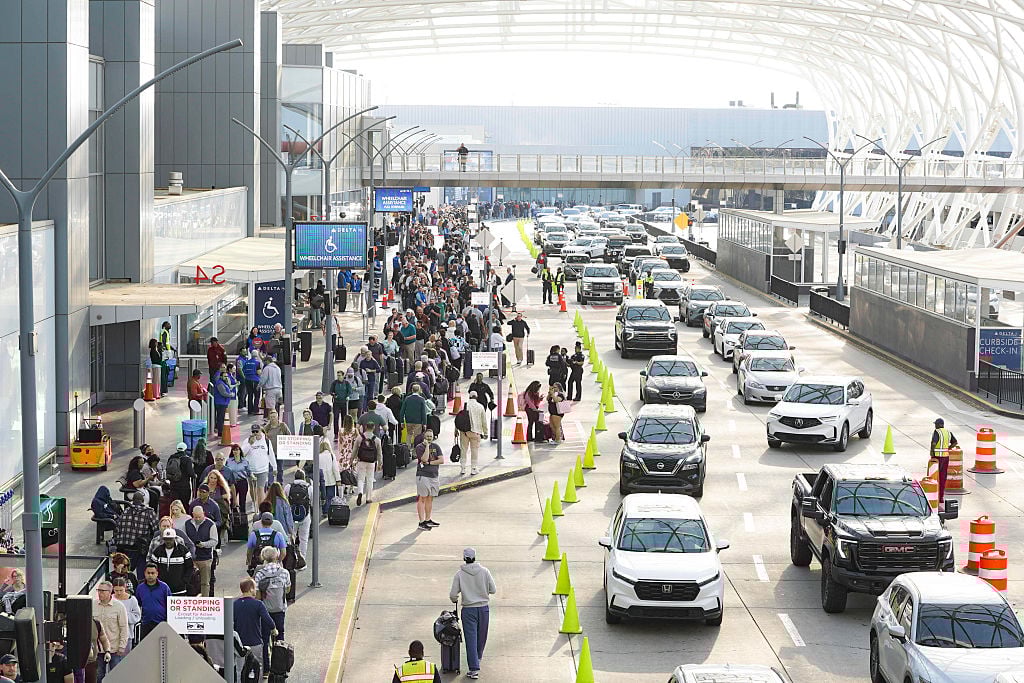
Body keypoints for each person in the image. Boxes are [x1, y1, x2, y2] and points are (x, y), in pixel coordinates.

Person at [449, 548, 496, 680]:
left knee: (471, 638)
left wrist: (455, 599)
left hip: (468, 610)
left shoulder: (459, 574)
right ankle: (478, 658)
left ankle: (473, 668)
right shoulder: (485, 571)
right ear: (475, 557)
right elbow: (493, 589)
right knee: (482, 636)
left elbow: (453, 594)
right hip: (484, 608)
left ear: (464, 559)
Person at [233, 578, 276, 676]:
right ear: (251, 589)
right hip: (255, 641)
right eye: (255, 588)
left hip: (239, 644)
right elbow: (268, 620)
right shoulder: (258, 604)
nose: (256, 590)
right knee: (257, 668)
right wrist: (274, 629)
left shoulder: (235, 604)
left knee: (240, 669)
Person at [252, 547, 291, 644]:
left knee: (265, 636)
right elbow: (287, 590)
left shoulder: (260, 574)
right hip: (280, 608)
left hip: (265, 610)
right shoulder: (284, 572)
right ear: (277, 556)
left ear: (263, 557)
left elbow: (258, 596)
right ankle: (280, 651)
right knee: (280, 633)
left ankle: (266, 654)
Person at [113, 493, 158, 573]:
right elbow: (156, 530)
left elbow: (117, 528)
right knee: (141, 572)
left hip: (124, 547)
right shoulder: (149, 512)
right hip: (139, 548)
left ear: (132, 501)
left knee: (124, 572)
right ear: (143, 501)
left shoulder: (126, 511)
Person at [92, 581, 128, 681]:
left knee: (115, 676)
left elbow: (124, 628)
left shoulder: (119, 606)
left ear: (110, 592)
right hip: (98, 649)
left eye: (102, 591)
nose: (100, 593)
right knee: (98, 676)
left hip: (114, 648)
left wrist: (122, 646)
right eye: (98, 590)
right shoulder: (93, 605)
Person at [148, 528, 194, 595]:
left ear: (174, 538)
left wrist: (184, 581)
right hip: (161, 589)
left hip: (179, 590)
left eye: (170, 539)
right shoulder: (158, 551)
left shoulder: (183, 550)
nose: (168, 541)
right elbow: (152, 568)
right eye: (166, 539)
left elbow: (190, 567)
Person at [414, 429, 443, 532]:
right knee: (422, 498)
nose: (429, 438)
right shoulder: (419, 447)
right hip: (423, 475)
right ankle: (421, 522)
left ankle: (428, 519)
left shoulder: (436, 447)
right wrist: (427, 446)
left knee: (430, 498)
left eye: (431, 436)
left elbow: (441, 460)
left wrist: (430, 463)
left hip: (434, 476)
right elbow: (424, 459)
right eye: (427, 436)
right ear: (424, 437)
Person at [185, 506, 218, 597]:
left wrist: (203, 544)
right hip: (191, 558)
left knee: (205, 582)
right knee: (191, 581)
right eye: (196, 517)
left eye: (200, 516)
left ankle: (205, 600)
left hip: (205, 558)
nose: (198, 519)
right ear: (192, 515)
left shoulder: (210, 524)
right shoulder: (187, 524)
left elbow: (214, 541)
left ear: (203, 513)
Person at [242, 424, 276, 509]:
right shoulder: (247, 441)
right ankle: (254, 503)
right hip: (251, 470)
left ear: (260, 431)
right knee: (252, 488)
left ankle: (261, 507)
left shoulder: (266, 441)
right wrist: (250, 444)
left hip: (263, 469)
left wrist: (274, 467)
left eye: (257, 431)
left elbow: (271, 455)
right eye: (253, 432)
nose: (255, 433)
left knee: (260, 489)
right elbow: (242, 453)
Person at [136, 564, 172, 641]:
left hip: (161, 623)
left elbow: (170, 605)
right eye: (148, 573)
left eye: (153, 573)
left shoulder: (164, 587)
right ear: (144, 573)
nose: (150, 575)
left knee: (161, 646)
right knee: (145, 645)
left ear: (157, 573)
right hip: (145, 622)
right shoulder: (140, 588)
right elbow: (137, 605)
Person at [352, 423, 382, 506]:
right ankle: (368, 498)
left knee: (360, 479)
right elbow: (379, 453)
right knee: (370, 479)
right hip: (371, 462)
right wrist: (380, 463)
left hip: (361, 461)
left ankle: (360, 492)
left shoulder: (359, 438)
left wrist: (352, 460)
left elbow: (354, 450)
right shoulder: (377, 440)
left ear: (365, 427)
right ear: (373, 428)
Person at [930, 418, 958, 504]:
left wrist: (932, 451)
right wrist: (948, 448)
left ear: (939, 425)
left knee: (934, 476)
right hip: (946, 457)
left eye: (936, 424)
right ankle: (941, 497)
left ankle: (933, 496)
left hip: (937, 457)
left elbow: (934, 443)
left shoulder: (937, 432)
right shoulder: (948, 432)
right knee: (942, 477)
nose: (935, 426)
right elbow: (955, 442)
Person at [285, 470, 313, 558]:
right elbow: (312, 502)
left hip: (291, 517)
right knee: (303, 539)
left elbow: (285, 501)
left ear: (295, 477)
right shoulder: (309, 488)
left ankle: (291, 558)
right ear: (304, 477)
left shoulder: (288, 487)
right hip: (305, 516)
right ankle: (302, 558)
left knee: (290, 537)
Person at [459, 391, 488, 476]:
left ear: (469, 397)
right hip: (476, 432)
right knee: (474, 450)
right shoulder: (480, 406)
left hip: (464, 431)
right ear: (476, 397)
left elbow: (459, 418)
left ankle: (463, 468)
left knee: (463, 449)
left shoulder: (464, 405)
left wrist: (456, 430)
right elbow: (484, 421)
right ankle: (473, 469)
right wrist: (485, 432)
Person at [111, 578, 141, 653]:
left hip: (127, 635)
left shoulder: (132, 599)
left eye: (121, 590)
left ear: (125, 587)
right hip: (112, 635)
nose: (119, 593)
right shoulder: (111, 599)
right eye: (116, 590)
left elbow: (137, 616)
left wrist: (123, 615)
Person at [263, 409, 291, 483]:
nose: (273, 418)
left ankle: (279, 484)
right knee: (271, 469)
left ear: (277, 417)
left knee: (280, 469)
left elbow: (289, 435)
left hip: (280, 452)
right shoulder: (267, 427)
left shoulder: (282, 425)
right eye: (271, 417)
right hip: (270, 453)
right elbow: (263, 437)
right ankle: (270, 484)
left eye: (274, 417)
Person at [224, 443, 252, 514]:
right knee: (232, 500)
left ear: (240, 451)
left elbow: (249, 472)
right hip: (232, 483)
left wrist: (253, 476)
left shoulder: (245, 461)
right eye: (234, 450)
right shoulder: (229, 461)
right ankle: (234, 516)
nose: (235, 451)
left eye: (237, 450)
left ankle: (243, 516)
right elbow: (226, 471)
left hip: (242, 482)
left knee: (242, 501)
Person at [316, 438, 341, 515]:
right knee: (330, 496)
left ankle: (324, 511)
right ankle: (330, 510)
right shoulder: (331, 455)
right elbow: (335, 469)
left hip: (321, 480)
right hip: (331, 480)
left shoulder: (318, 456)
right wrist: (338, 479)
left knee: (323, 496)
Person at [166, 442, 195, 509]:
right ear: (185, 449)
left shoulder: (171, 457)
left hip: (173, 485)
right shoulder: (187, 459)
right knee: (184, 503)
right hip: (184, 486)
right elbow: (190, 472)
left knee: (175, 504)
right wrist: (194, 475)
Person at [242, 350, 262, 415]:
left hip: (247, 380)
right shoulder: (257, 363)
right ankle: (255, 410)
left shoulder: (246, 362)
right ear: (257, 355)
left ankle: (250, 410)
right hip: (255, 380)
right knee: (257, 395)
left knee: (250, 395)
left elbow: (243, 370)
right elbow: (258, 372)